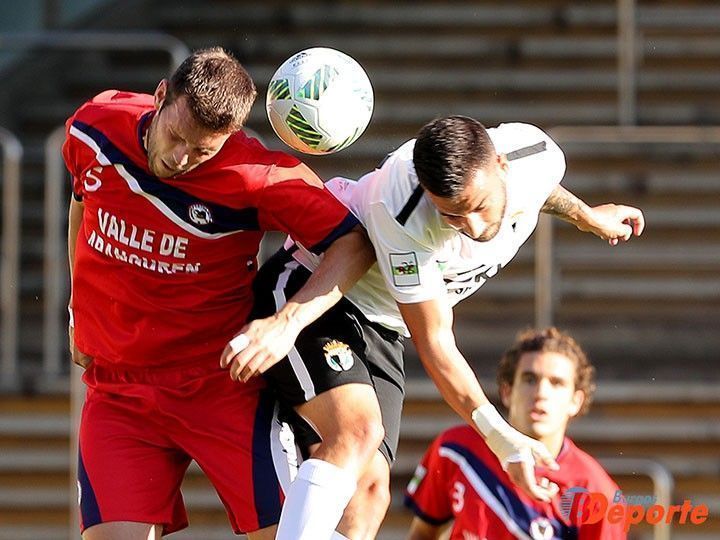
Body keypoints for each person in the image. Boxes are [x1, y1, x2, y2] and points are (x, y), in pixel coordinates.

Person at [221, 116, 644, 539]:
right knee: (357, 430)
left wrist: (586, 215)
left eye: (478, 206)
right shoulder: (401, 210)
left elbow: (538, 190)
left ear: (501, 164)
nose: (474, 229)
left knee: (369, 495)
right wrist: (499, 435)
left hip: (383, 324)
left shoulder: (535, 151)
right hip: (318, 292)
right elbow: (435, 341)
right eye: (453, 216)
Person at [63, 47, 376, 539]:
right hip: (119, 391)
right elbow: (82, 201)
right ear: (161, 96)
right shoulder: (94, 125)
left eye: (202, 150)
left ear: (229, 137)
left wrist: (285, 323)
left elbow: (354, 244)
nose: (179, 158)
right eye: (176, 135)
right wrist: (76, 309)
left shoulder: (257, 176)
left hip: (220, 384)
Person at [405, 327, 626, 540]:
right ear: (507, 392)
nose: (541, 393)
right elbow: (423, 533)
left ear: (576, 401)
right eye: (530, 379)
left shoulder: (597, 493)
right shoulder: (456, 449)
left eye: (556, 383)